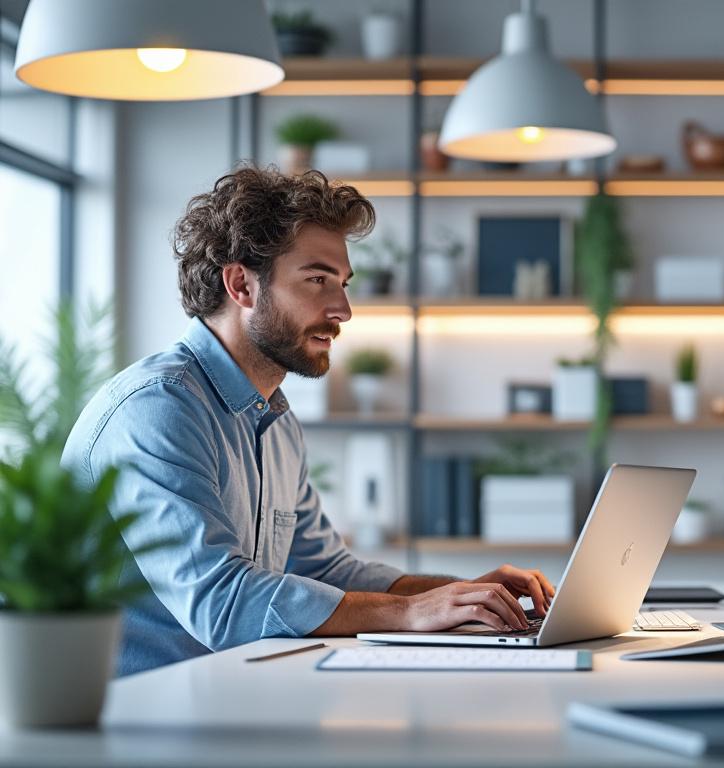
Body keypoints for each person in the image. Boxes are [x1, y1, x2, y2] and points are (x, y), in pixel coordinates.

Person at [62, 166, 555, 676]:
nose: (342, 308)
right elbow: (222, 602)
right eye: (318, 279)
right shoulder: (158, 408)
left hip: (223, 699)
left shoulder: (274, 418)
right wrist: (410, 612)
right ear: (241, 285)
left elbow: (327, 569)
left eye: (342, 283)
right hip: (132, 722)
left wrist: (465, 595)